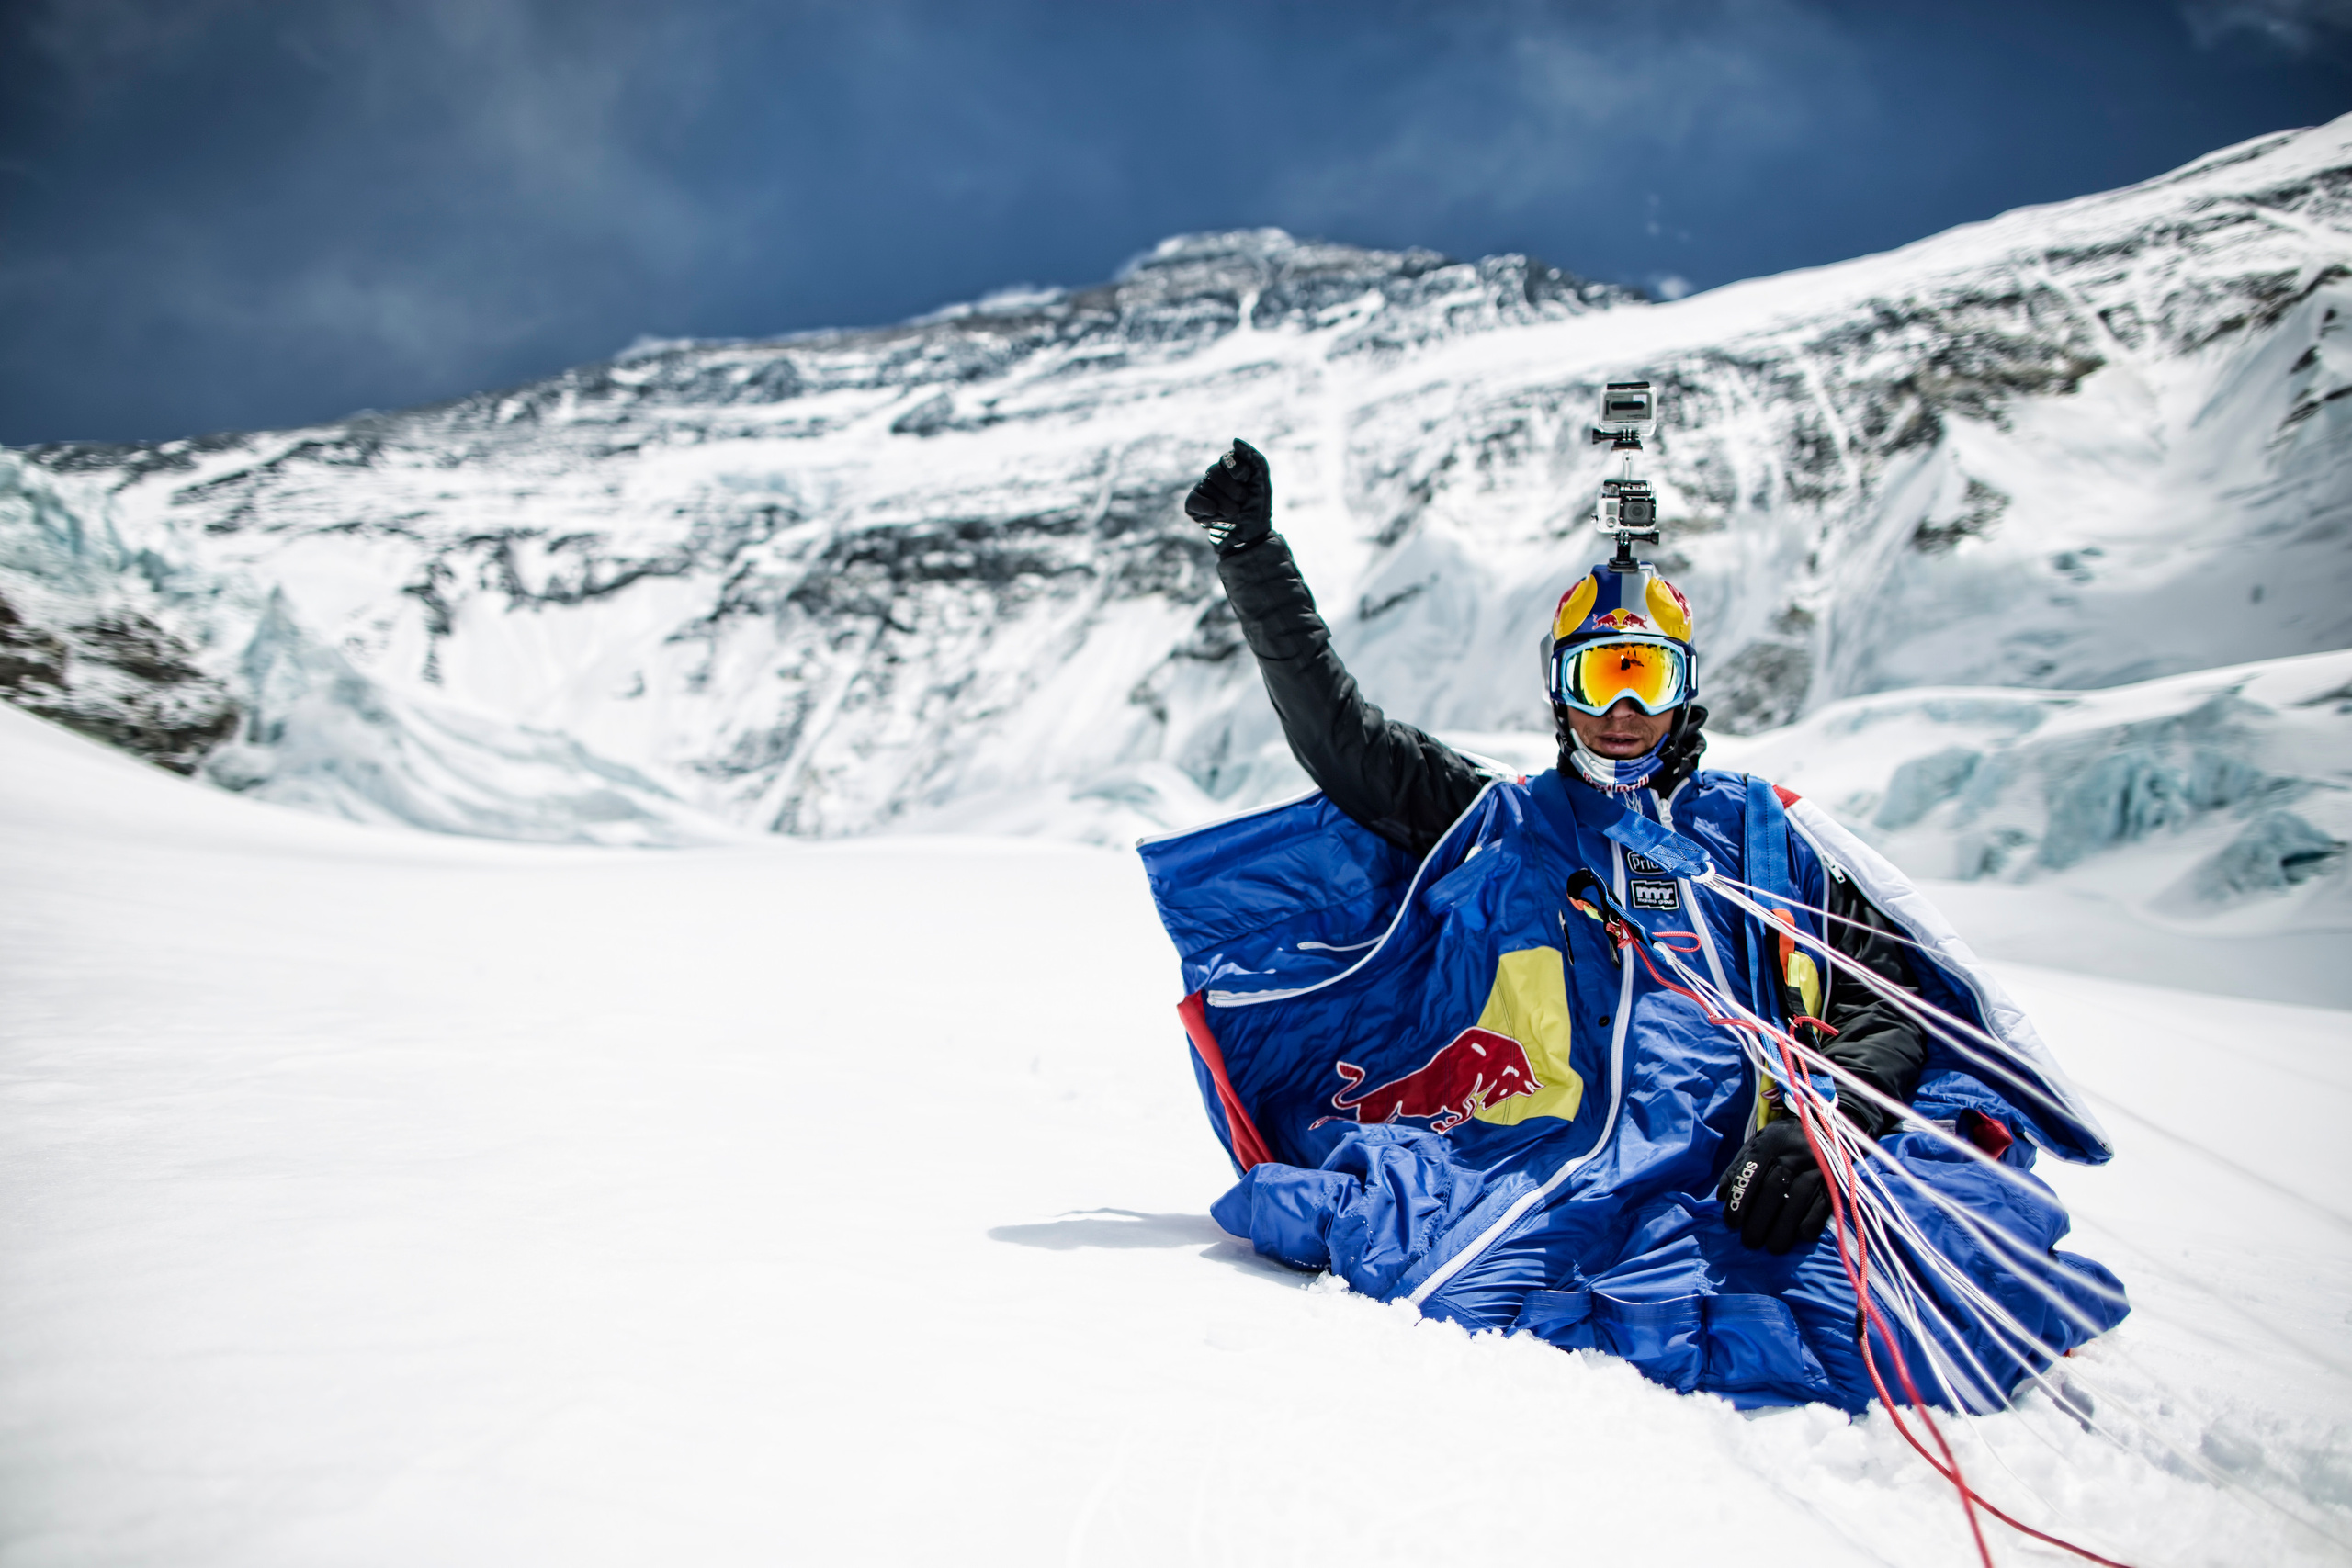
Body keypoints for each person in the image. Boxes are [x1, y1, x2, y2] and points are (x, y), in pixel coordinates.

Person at [1140, 438, 2124, 1411]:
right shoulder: (1508, 823)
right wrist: (1251, 556)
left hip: (1747, 1157)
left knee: (1929, 1308)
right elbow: (1343, 741)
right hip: (1537, 1155)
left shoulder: (1761, 835)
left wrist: (1826, 1128)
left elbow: (1890, 999)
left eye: (1644, 678)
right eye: (1594, 676)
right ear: (1557, 688)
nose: (1619, 710)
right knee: (1446, 1279)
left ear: (1684, 687)